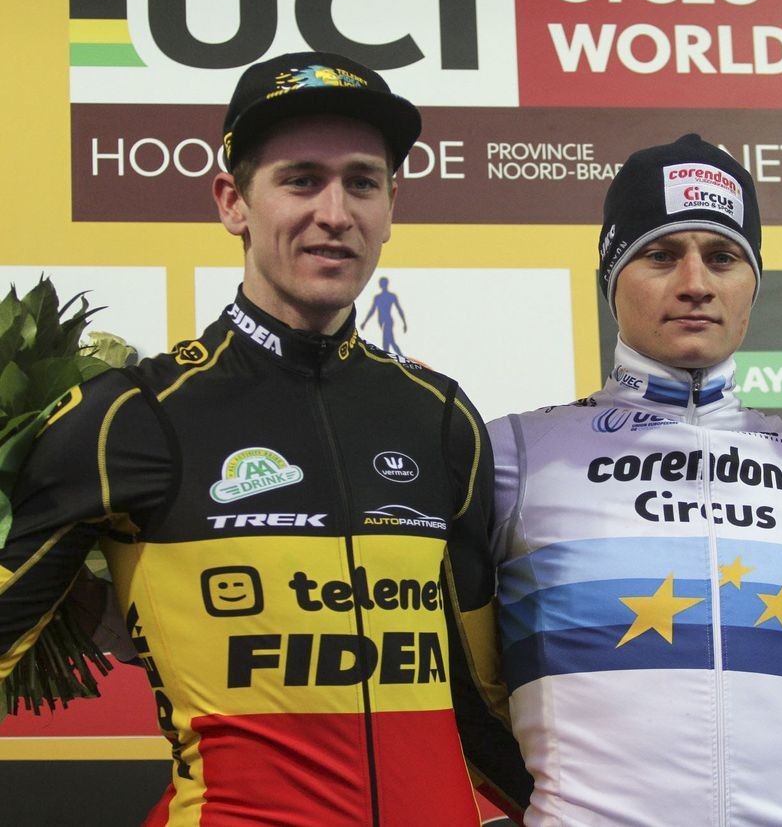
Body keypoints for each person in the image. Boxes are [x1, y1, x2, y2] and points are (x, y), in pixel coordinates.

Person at [0, 51, 529, 825]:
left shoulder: (441, 417)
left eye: (362, 181)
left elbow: (475, 704)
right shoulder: (135, 415)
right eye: (300, 179)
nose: (336, 212)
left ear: (390, 206)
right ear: (232, 201)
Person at [489, 133, 782, 825]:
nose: (695, 283)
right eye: (660, 255)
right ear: (610, 278)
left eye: (722, 257)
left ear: (752, 284)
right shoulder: (515, 451)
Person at [361, 275, 408, 355]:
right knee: (389, 342)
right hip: (382, 322)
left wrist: (404, 322)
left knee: (388, 343)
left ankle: (402, 361)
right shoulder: (378, 297)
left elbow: (399, 309)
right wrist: (365, 322)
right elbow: (372, 310)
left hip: (387, 321)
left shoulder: (391, 296)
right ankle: (401, 361)